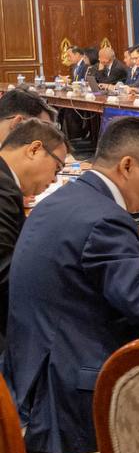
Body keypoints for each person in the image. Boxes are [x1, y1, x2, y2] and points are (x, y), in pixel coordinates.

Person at [3, 117, 139, 453]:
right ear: (127, 166)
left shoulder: (64, 199)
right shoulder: (107, 218)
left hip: (33, 370)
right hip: (71, 393)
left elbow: (78, 259)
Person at [0, 120, 67, 347]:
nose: (55, 179)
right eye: (57, 168)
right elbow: (6, 272)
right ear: (35, 149)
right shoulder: (3, 189)